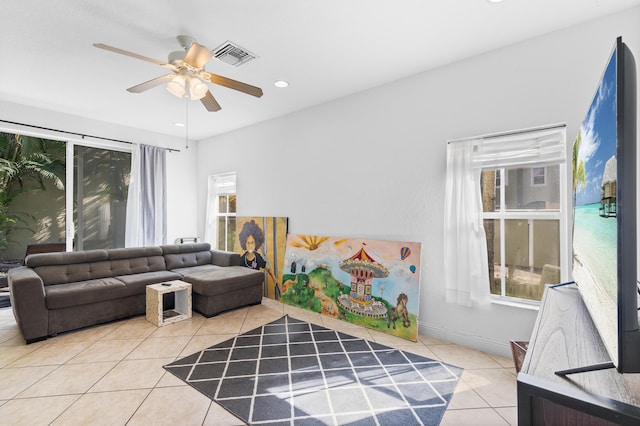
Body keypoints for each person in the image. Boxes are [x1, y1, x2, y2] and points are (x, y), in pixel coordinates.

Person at [238, 220, 278, 288]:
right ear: (244, 244)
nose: (250, 246)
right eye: (248, 243)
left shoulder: (258, 257)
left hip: (255, 286)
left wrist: (274, 279)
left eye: (252, 242)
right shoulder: (242, 259)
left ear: (256, 243)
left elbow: (268, 268)